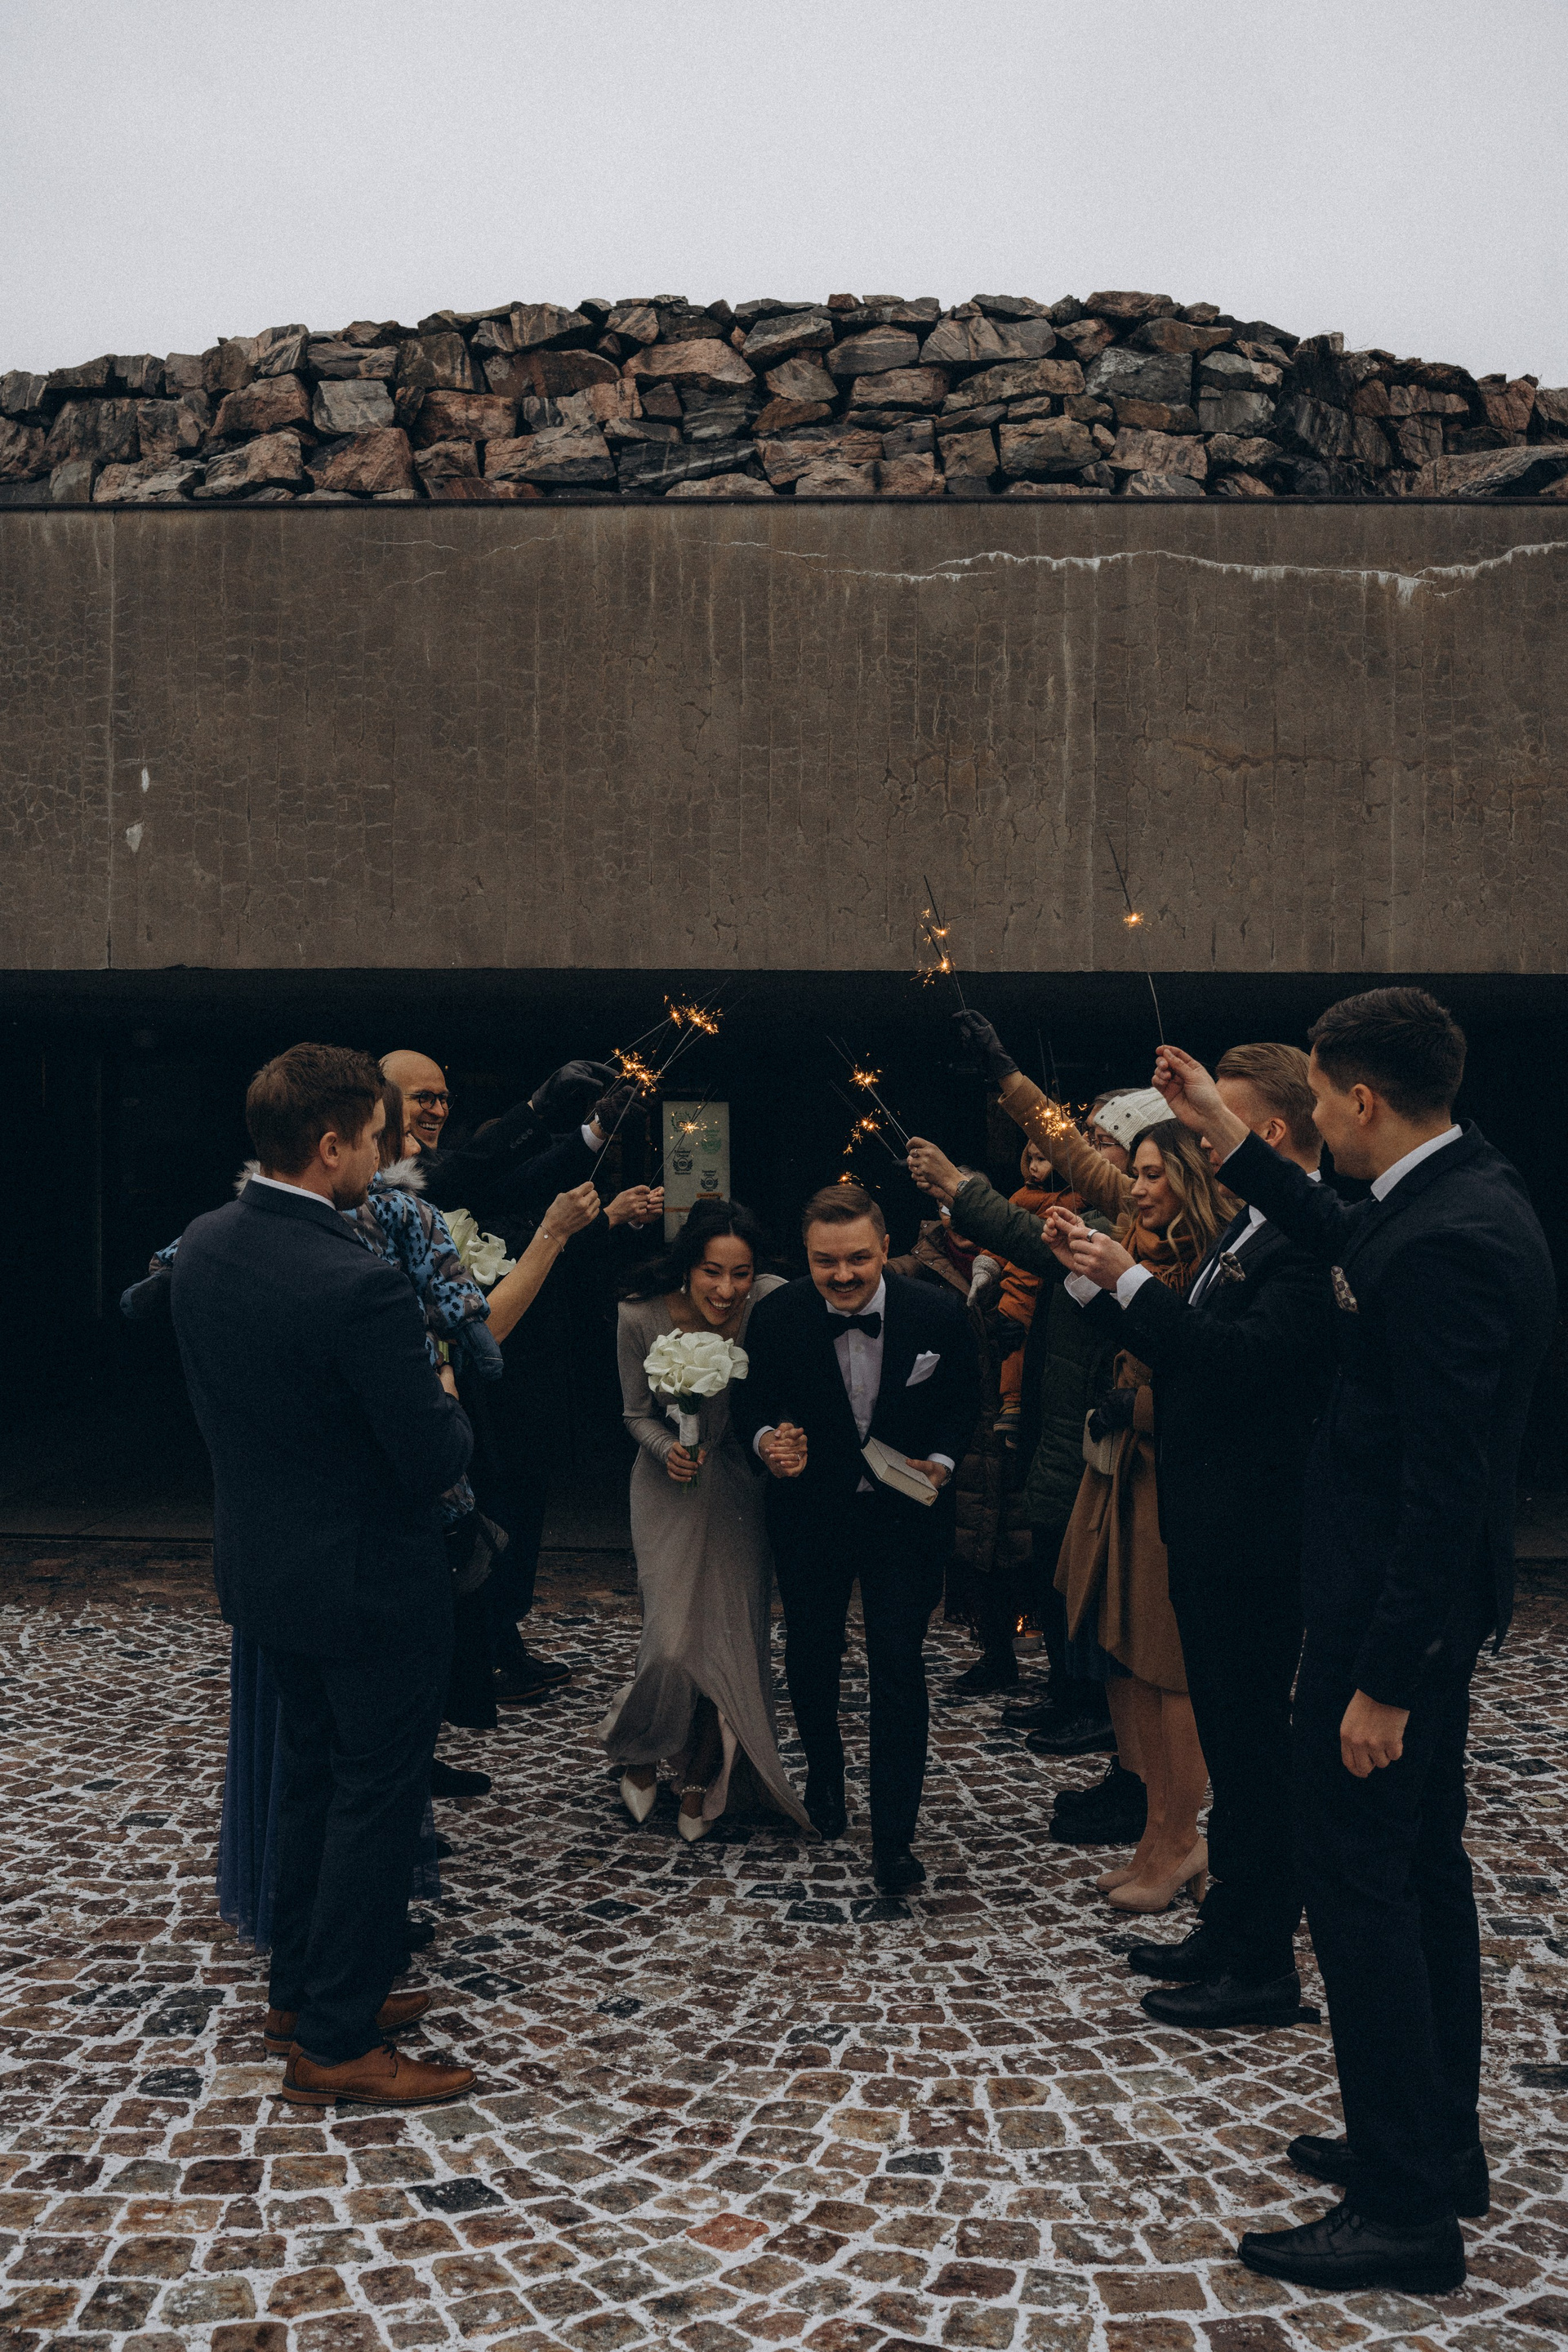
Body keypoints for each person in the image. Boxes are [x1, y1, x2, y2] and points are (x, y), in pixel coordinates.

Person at [1153, 990, 1556, 2295]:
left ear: (1362, 1099)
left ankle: (1402, 2209)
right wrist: (1227, 1134)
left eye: (1320, 1101)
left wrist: (1382, 1681)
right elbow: (1342, 1229)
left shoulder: (1451, 1243)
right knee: (1420, 1871)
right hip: (1398, 1614)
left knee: (1363, 1892)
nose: (1317, 1121)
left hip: (1390, 1627)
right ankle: (1437, 2147)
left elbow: (1445, 1488)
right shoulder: (1454, 1189)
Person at [170, 1043, 478, 2109]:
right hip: (370, 1585)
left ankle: (302, 1991)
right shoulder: (359, 1283)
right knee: (374, 1797)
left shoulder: (204, 1245)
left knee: (307, 1779)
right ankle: (337, 2040)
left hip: (266, 1570)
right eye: (377, 1142)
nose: (386, 1160)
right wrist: (446, 1393)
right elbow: (434, 1456)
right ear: (331, 1144)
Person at [1042, 1044, 1334, 2025]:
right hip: (1208, 1528)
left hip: (1256, 1534)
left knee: (1254, 1755)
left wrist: (1130, 1280)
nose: (1199, 1141)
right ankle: (1229, 1928)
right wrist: (1097, 1284)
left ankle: (1262, 1965)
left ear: (1269, 1130)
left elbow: (1241, 1365)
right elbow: (1186, 1349)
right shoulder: (1251, 1226)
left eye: (1211, 1121)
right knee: (1235, 1747)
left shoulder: (1302, 1241)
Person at [929, 1014, 1232, 1916]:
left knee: (1165, 1667)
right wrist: (1008, 1077)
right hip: (1114, 1465)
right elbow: (1072, 1154)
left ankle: (1179, 1836)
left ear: (1186, 1175)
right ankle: (1153, 1829)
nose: (1129, 1183)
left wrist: (1135, 1395)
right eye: (1130, 1171)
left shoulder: (1207, 1254)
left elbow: (1216, 1373)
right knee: (1121, 1653)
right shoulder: (1138, 1226)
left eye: (1146, 1171)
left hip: (1162, 1470)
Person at [385, 1047, 657, 1708]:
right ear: (380, 1103)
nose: (437, 1109)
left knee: (512, 1516)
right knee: (476, 1521)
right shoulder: (394, 1183)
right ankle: (471, 1658)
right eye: (422, 1097)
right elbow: (480, 1176)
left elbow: (518, 1188)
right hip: (449, 1388)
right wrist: (538, 1109)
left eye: (443, 1097)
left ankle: (494, 1646)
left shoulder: (457, 1175)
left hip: (505, 1378)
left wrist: (593, 1133)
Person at [733, 1183, 981, 1897]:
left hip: (905, 1518)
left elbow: (965, 1398)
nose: (842, 1276)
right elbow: (750, 1402)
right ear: (806, 1256)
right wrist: (766, 1442)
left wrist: (942, 1460)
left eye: (858, 1260)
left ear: (884, 1248)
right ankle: (825, 1776)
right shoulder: (776, 1315)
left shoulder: (937, 1312)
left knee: (898, 1663)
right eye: (825, 1262)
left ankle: (895, 1840)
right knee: (812, 1652)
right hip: (810, 1514)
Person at [605, 1200, 811, 1840]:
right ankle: (640, 1746)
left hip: (741, 1485)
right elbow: (634, 1413)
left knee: (728, 1636)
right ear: (687, 1267)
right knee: (669, 1641)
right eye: (712, 1272)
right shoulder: (638, 1315)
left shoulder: (772, 1301)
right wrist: (667, 1449)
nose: (727, 1289)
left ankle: (703, 1766)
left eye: (740, 1273)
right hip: (666, 1486)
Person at [888, 1209, 1031, 1697]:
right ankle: (995, 1653)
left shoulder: (1018, 1256)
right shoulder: (918, 1265)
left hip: (1013, 1416)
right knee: (970, 1543)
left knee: (1018, 1540)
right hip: (959, 1429)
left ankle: (1040, 1658)